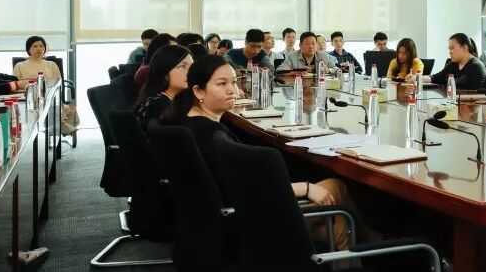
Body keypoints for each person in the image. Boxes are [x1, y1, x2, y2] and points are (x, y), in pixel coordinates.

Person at [164, 55, 353, 249]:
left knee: (338, 227)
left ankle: (355, 258)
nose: (232, 90)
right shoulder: (210, 135)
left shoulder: (188, 121)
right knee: (336, 186)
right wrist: (305, 188)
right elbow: (245, 187)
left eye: (233, 82)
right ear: (198, 91)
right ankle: (368, 250)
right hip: (244, 222)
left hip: (214, 222)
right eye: (222, 84)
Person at [133, 45, 192, 131]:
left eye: (192, 66)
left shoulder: (174, 98)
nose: (190, 72)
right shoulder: (157, 105)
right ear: (164, 70)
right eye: (183, 66)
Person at [421, 33, 486, 89]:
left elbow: (475, 94)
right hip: (452, 99)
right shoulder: (453, 64)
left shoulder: (476, 67)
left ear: (464, 47)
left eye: (452, 48)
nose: (450, 52)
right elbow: (436, 78)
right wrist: (417, 79)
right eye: (449, 49)